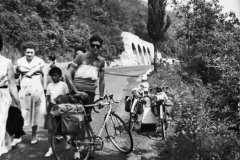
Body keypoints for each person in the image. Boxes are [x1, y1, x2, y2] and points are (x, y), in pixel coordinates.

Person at [66, 35, 105, 159]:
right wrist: (75, 91)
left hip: (90, 94)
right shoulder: (81, 57)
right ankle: (76, 149)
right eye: (92, 45)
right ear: (89, 45)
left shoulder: (101, 61)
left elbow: (102, 80)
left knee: (86, 120)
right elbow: (67, 74)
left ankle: (83, 147)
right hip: (77, 92)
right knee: (75, 120)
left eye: (97, 46)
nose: (95, 47)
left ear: (100, 47)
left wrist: (102, 97)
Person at [16, 42, 46, 144]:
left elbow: (45, 75)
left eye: (31, 52)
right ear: (24, 52)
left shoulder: (39, 61)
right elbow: (16, 76)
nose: (29, 54)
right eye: (27, 52)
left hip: (37, 87)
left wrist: (45, 88)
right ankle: (17, 134)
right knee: (22, 111)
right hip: (24, 88)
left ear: (34, 52)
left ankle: (34, 136)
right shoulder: (20, 61)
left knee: (36, 112)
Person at [0, 33, 21, 156]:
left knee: (1, 123)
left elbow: (12, 84)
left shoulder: (6, 62)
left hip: (2, 96)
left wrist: (18, 102)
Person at [44, 67, 69, 158]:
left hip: (62, 107)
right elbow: (47, 98)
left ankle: (67, 142)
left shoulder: (63, 85)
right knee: (50, 129)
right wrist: (47, 109)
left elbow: (67, 96)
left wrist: (61, 100)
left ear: (60, 76)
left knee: (65, 127)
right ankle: (50, 148)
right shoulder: (49, 85)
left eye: (56, 75)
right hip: (52, 107)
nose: (54, 77)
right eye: (52, 76)